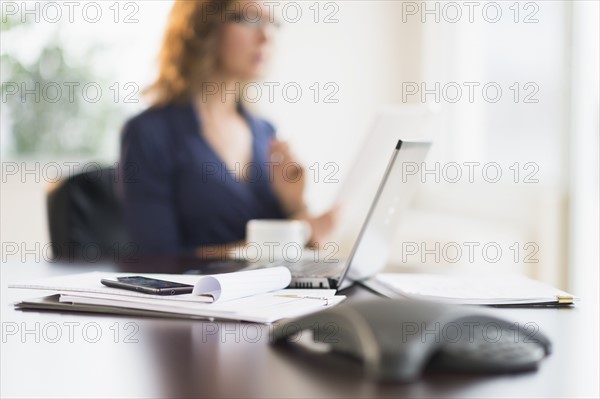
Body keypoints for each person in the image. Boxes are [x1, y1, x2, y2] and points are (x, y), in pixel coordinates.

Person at [119, 0, 339, 259]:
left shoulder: (267, 133)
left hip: (273, 297)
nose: (266, 35)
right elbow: (155, 258)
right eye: (250, 19)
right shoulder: (149, 133)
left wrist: (296, 206)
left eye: (272, 23)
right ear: (203, 25)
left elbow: (298, 258)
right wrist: (269, 248)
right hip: (198, 297)